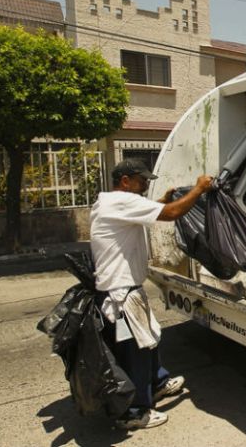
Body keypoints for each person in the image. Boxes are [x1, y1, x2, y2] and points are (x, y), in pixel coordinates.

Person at [90, 158, 213, 429]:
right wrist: (199, 189)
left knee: (149, 342)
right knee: (134, 352)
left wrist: (161, 200)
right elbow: (170, 215)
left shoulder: (111, 202)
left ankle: (157, 382)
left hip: (124, 290)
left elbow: (150, 211)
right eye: (142, 180)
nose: (145, 184)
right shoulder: (122, 201)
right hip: (120, 295)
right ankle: (133, 412)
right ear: (125, 181)